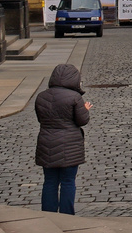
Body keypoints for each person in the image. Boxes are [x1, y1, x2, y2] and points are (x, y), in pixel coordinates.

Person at [34, 63, 91, 215]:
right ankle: (67, 215)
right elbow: (82, 121)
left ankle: (48, 214)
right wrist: (85, 109)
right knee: (68, 181)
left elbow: (41, 119)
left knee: (50, 182)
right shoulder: (75, 98)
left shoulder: (41, 96)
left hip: (47, 144)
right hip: (70, 145)